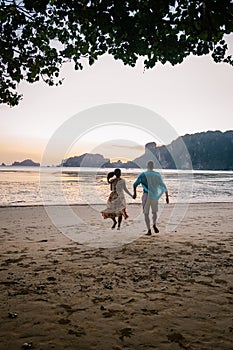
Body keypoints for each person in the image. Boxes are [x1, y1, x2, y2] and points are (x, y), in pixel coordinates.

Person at [133, 161, 169, 236]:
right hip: (154, 196)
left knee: (146, 213)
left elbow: (135, 184)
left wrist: (135, 193)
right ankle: (154, 224)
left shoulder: (143, 175)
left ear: (147, 166)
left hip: (146, 195)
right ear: (153, 166)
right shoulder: (157, 175)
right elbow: (163, 186)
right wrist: (167, 196)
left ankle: (149, 230)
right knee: (154, 212)